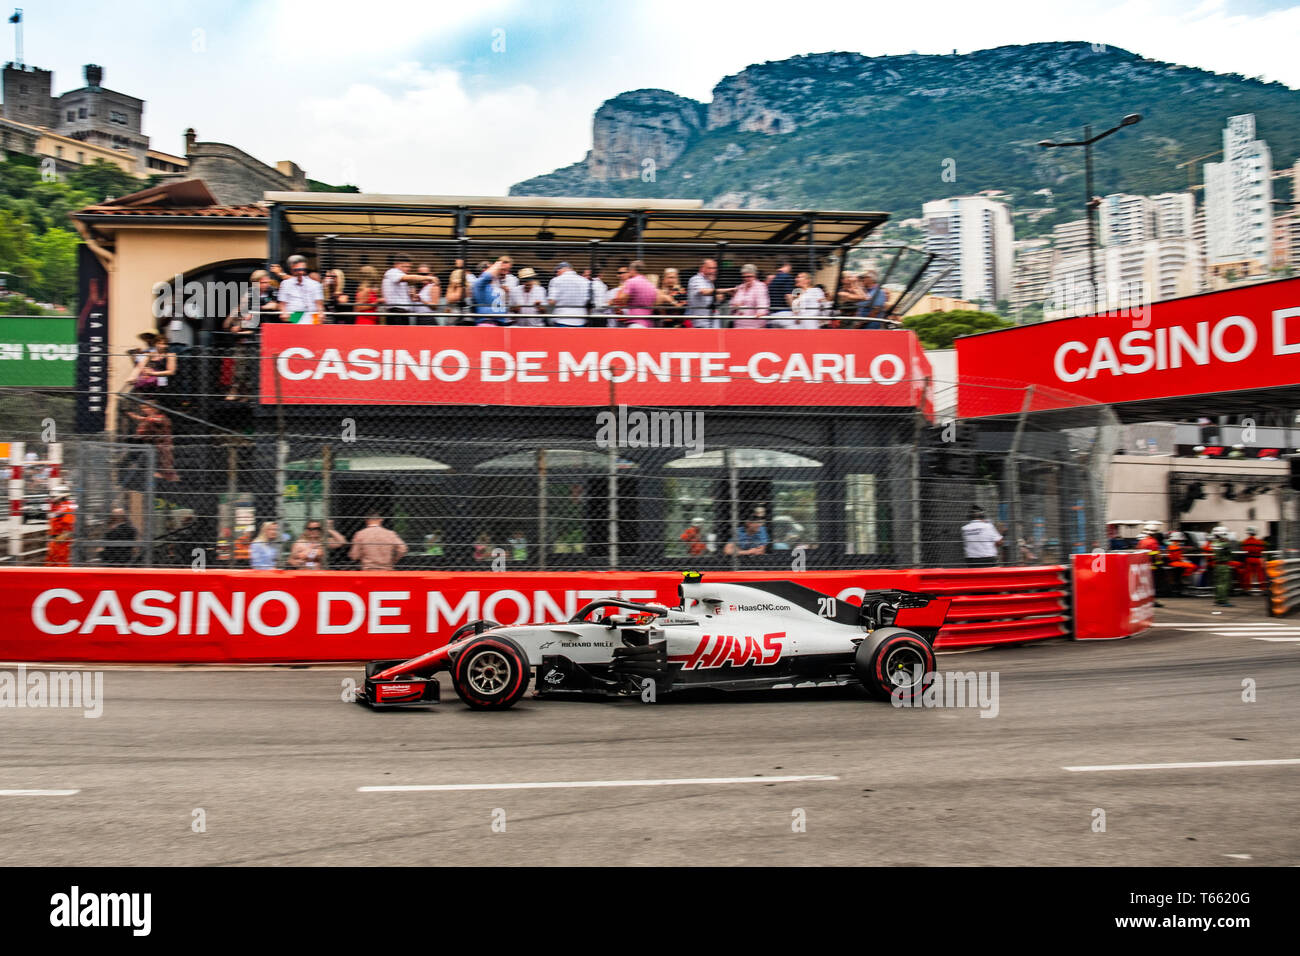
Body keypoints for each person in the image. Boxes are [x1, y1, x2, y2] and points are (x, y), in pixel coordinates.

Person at [224, 269, 277, 401]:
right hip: (249, 332)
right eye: (262, 282)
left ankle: (249, 393)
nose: (266, 284)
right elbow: (243, 312)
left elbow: (276, 305)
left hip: (265, 332)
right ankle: (237, 389)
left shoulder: (272, 291)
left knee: (257, 366)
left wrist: (263, 308)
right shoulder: (248, 295)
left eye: (266, 282)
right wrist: (233, 322)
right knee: (241, 363)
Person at [125, 402, 179, 482]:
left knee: (166, 466)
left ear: (154, 409)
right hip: (151, 445)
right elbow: (143, 430)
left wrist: (137, 417)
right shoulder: (148, 420)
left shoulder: (161, 418)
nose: (145, 410)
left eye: (147, 408)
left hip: (163, 445)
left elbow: (156, 420)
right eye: (143, 409)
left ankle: (170, 480)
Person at [125, 334, 177, 398]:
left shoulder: (170, 355)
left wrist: (153, 373)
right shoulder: (150, 354)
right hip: (150, 380)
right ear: (155, 344)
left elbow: (171, 371)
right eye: (159, 343)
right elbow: (139, 366)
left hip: (163, 380)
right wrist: (132, 376)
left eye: (164, 344)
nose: (162, 346)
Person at [278, 256, 324, 324]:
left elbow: (319, 304)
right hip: (295, 315)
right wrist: (284, 312)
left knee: (314, 332)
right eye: (297, 270)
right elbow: (282, 304)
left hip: (313, 315)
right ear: (291, 270)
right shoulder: (285, 284)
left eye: (302, 269)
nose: (300, 272)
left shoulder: (315, 284)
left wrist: (321, 313)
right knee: (297, 332)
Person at [610, 260, 657, 327]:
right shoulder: (651, 285)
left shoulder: (631, 282)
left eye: (629, 270)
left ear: (633, 270)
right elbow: (655, 302)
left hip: (636, 321)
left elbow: (621, 299)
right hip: (648, 323)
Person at [547, 261, 591, 327]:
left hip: (562, 319)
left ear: (560, 270)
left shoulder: (556, 280)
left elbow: (552, 301)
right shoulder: (585, 281)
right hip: (580, 320)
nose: (557, 274)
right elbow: (587, 301)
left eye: (557, 272)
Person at [727, 264, 770, 329]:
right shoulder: (740, 287)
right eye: (744, 277)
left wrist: (761, 312)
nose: (746, 279)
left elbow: (763, 303)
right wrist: (735, 305)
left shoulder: (760, 287)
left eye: (749, 276)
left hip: (754, 326)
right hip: (739, 325)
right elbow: (732, 304)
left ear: (755, 276)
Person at [471, 258, 511, 324]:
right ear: (484, 270)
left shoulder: (496, 285)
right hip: (486, 322)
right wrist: (498, 264)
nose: (496, 271)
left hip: (501, 323)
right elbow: (486, 276)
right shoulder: (478, 284)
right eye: (491, 268)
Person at [44, 485, 76, 567]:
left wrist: (56, 541)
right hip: (56, 542)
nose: (51, 499)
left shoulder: (67, 508)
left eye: (53, 497)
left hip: (61, 544)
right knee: (50, 566)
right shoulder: (60, 508)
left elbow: (69, 530)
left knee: (61, 565)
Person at [686, 259, 719, 328]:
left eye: (715, 268)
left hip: (711, 324)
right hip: (700, 324)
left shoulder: (709, 282)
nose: (713, 271)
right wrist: (724, 291)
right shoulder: (696, 279)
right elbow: (704, 292)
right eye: (710, 268)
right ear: (702, 269)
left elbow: (709, 301)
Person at [1211, 525, 1235, 606]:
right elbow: (1230, 553)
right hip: (1223, 566)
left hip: (1217, 565)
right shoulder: (1225, 544)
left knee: (1218, 584)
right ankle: (1223, 601)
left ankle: (1218, 600)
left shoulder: (1215, 543)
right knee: (1224, 584)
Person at [1239, 525, 1267, 593]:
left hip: (1249, 559)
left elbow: (1243, 549)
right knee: (1260, 574)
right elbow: (1262, 549)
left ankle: (1247, 588)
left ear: (1248, 532)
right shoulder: (1259, 542)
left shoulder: (1245, 541)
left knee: (1247, 575)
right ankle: (1263, 588)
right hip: (1257, 559)